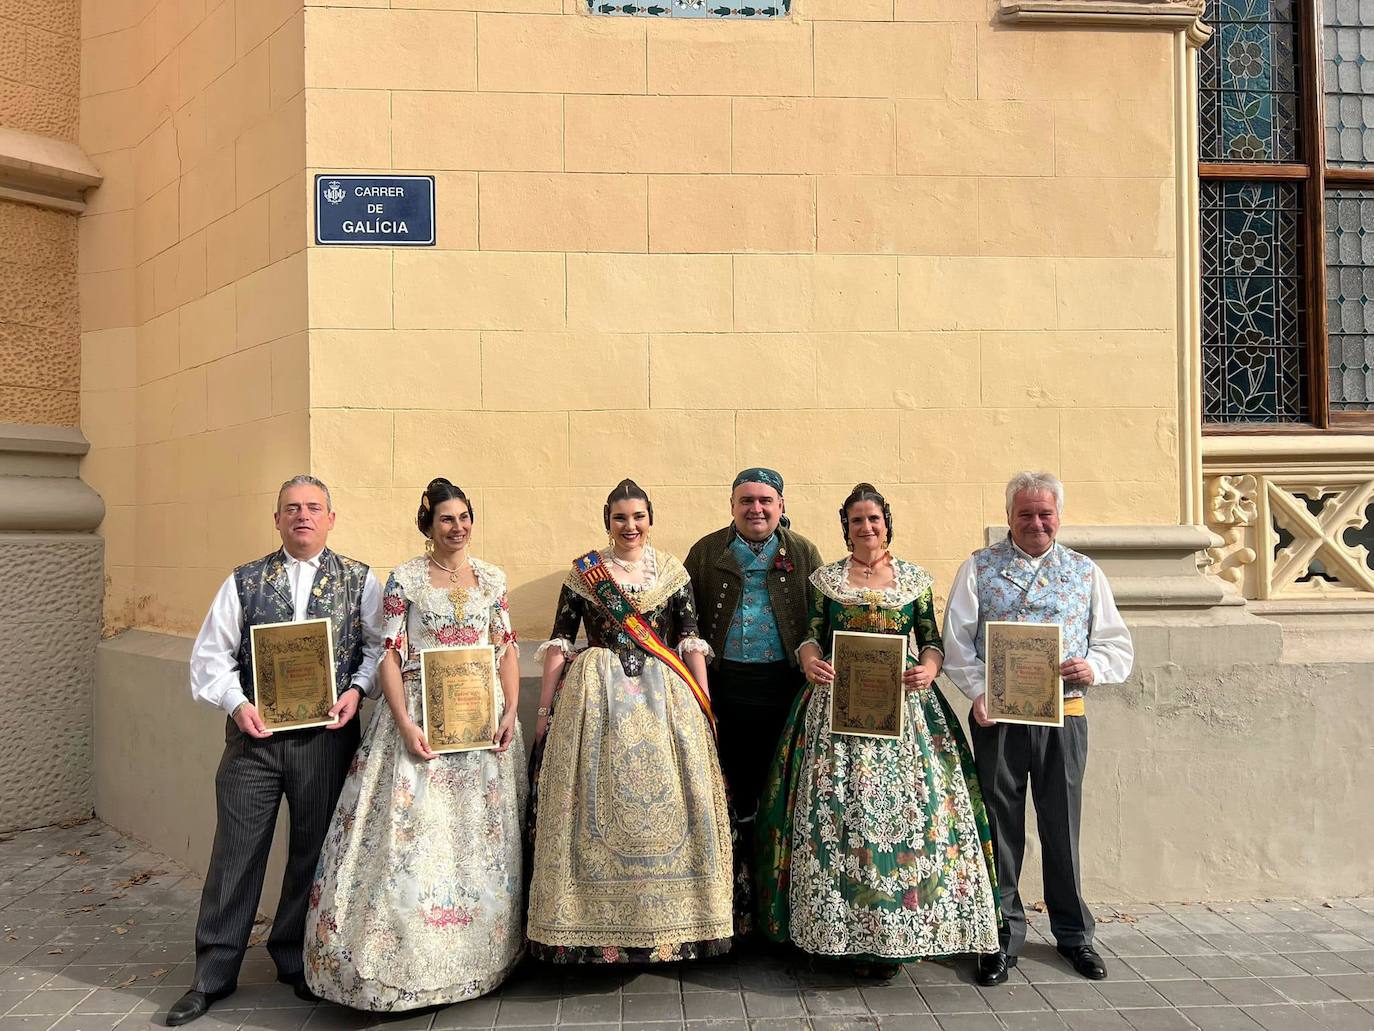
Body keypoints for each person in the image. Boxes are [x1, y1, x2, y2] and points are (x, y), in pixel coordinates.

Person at [756, 483, 999, 979]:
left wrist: (929, 669)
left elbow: (931, 640)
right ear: (844, 529)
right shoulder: (827, 581)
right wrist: (809, 661)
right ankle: (839, 932)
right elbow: (810, 634)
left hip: (904, 709)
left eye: (874, 519)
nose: (866, 528)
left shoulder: (913, 580)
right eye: (856, 521)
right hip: (834, 712)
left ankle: (901, 929)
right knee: (841, 815)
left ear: (887, 522)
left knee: (910, 813)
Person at [168, 475, 383, 1026]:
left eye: (313, 508)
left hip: (326, 738)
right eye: (292, 508)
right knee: (236, 853)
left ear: (331, 518)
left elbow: (381, 649)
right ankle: (212, 974)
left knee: (313, 852)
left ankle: (294, 959)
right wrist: (239, 705)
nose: (303, 516)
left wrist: (357, 691)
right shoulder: (243, 581)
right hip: (254, 743)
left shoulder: (360, 580)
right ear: (278, 519)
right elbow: (210, 658)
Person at [304, 478, 525, 1010]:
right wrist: (403, 722)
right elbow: (389, 652)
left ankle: (481, 958)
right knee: (415, 837)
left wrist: (512, 708)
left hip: (480, 725)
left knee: (476, 838)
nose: (458, 527)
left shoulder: (492, 578)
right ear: (428, 524)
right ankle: (397, 968)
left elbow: (507, 649)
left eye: (464, 516)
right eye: (447, 518)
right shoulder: (405, 578)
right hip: (423, 720)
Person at [526, 479, 734, 963]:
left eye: (638, 516)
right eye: (621, 517)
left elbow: (688, 640)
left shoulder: (672, 573)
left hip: (667, 700)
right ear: (608, 521)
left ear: (650, 518)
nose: (630, 526)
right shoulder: (585, 574)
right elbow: (559, 641)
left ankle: (676, 926)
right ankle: (588, 931)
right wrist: (543, 712)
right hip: (595, 699)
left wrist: (704, 705)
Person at [942, 471, 1134, 986]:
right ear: (1009, 516)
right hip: (999, 720)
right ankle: (999, 939)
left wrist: (1091, 666)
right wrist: (979, 691)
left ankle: (1074, 936)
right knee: (1001, 831)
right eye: (1025, 513)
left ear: (1058, 516)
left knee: (1061, 827)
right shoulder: (978, 568)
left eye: (1044, 513)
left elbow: (1117, 644)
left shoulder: (1085, 572)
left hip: (1063, 718)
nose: (1035, 522)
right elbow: (957, 643)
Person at [683, 468, 823, 926]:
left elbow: (818, 623)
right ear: (732, 506)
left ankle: (776, 900)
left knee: (780, 790)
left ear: (781, 505)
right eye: (746, 501)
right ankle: (733, 902)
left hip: (784, 685)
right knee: (730, 789)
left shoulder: (803, 552)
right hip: (723, 684)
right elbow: (685, 623)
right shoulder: (706, 552)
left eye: (766, 500)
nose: (756, 509)